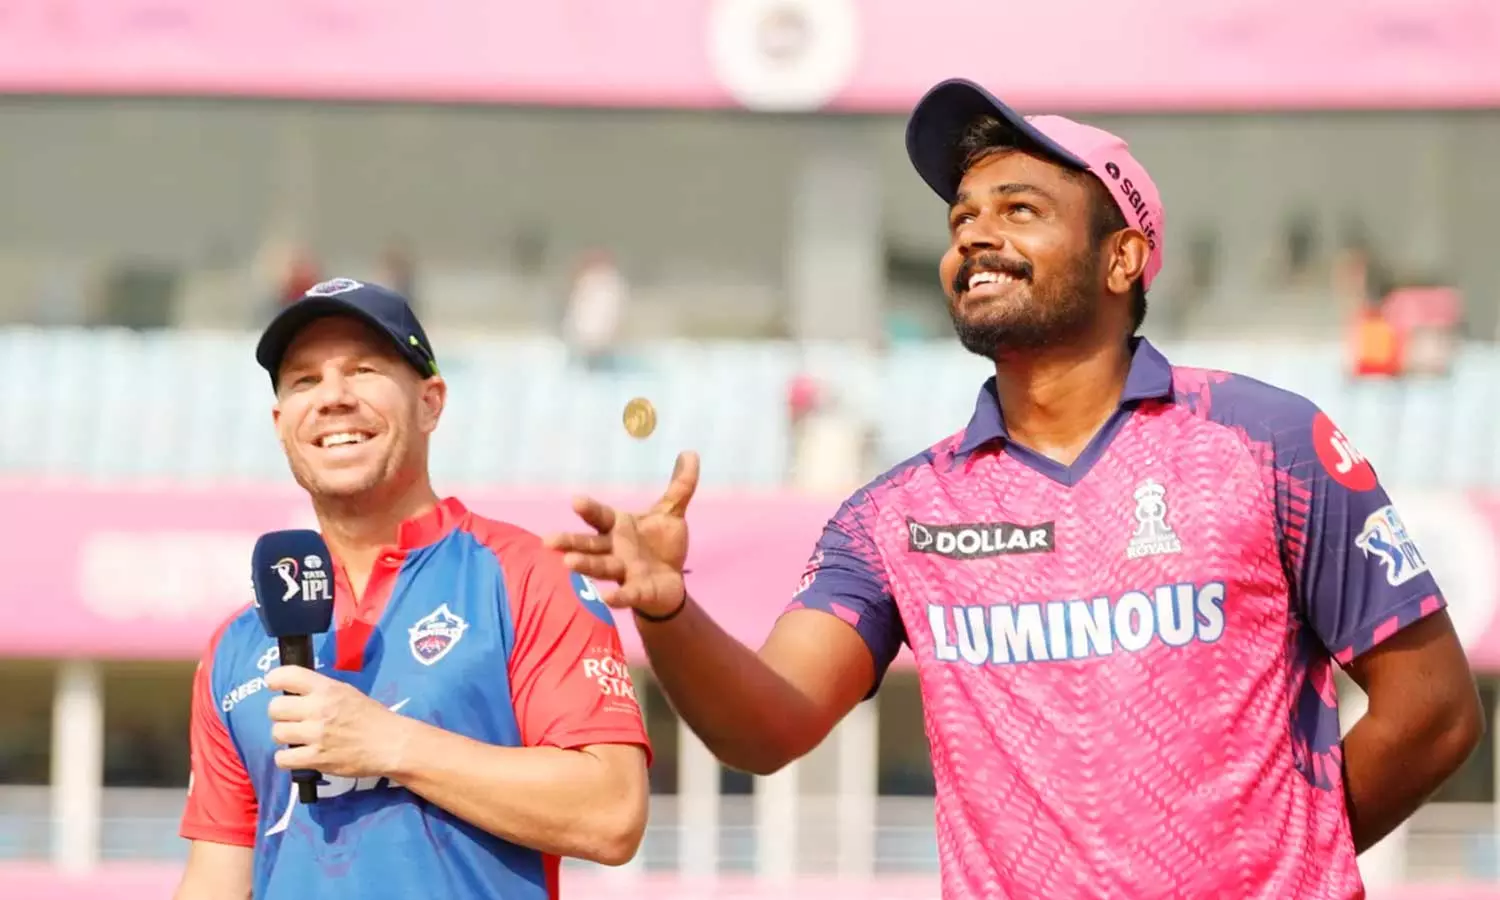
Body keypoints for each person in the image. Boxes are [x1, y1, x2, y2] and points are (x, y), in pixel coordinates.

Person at [545, 79, 1483, 899]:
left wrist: (1276, 865)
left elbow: (1434, 710)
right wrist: (668, 611)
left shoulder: (1267, 443)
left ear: (1122, 258)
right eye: (961, 218)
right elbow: (767, 726)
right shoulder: (895, 516)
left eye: (1020, 208)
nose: (976, 234)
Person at [173, 278, 651, 900]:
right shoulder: (237, 644)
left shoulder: (526, 576)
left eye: (364, 370)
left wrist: (389, 743)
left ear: (430, 403)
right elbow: (216, 879)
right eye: (305, 380)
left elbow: (613, 813)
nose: (333, 398)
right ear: (280, 422)